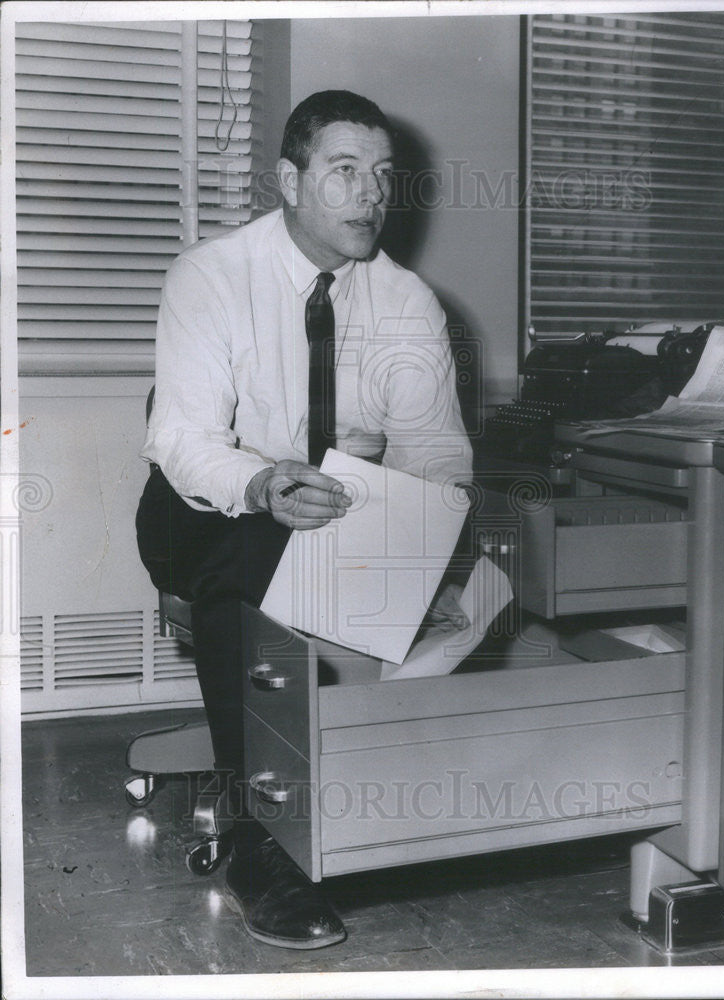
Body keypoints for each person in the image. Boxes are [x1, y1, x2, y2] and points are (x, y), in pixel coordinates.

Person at [136, 90, 473, 950]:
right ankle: (254, 835)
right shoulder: (210, 276)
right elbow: (183, 441)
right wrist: (262, 483)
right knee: (248, 554)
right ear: (290, 179)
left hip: (340, 519)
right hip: (209, 507)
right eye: (345, 172)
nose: (371, 196)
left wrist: (419, 546)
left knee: (483, 585)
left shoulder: (407, 304)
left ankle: (362, 791)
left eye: (384, 176)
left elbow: (436, 456)